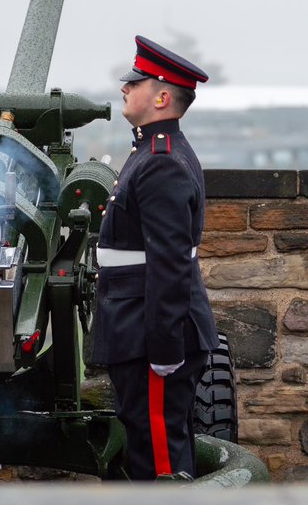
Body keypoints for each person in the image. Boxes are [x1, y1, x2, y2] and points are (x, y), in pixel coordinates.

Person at [91, 35, 220, 481]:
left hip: (152, 338)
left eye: (136, 82)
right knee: (153, 446)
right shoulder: (150, 152)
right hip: (141, 330)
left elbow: (169, 265)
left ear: (162, 96)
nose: (125, 88)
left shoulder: (161, 161)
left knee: (159, 462)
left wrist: (164, 350)